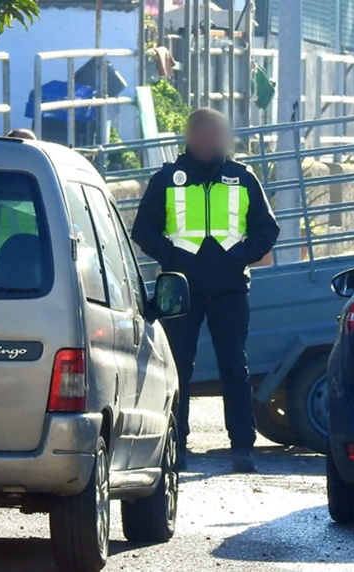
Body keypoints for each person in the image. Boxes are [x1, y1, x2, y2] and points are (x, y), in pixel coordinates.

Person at [132, 108, 279, 473]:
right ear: (189, 137)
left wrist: (241, 256)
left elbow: (267, 229)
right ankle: (176, 446)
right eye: (201, 133)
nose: (208, 140)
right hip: (182, 288)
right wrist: (173, 257)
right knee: (178, 368)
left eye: (214, 133)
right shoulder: (167, 178)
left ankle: (242, 448)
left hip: (229, 288)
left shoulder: (242, 177)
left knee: (234, 366)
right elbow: (143, 230)